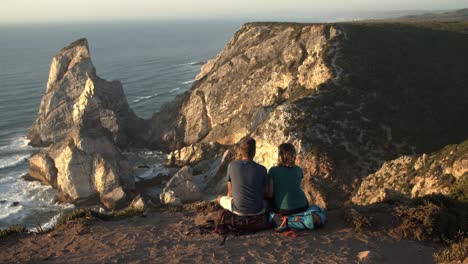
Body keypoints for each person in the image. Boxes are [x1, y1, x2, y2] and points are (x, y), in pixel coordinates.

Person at [217, 137, 268, 216]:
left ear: (241, 151)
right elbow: (264, 192)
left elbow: (230, 193)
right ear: (254, 152)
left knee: (219, 198)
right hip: (258, 210)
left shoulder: (232, 165)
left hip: (238, 210)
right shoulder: (262, 169)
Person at [269, 143, 309, 215]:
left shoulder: (273, 170)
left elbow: (270, 193)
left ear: (280, 156)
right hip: (303, 206)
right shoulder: (298, 169)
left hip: (284, 210)